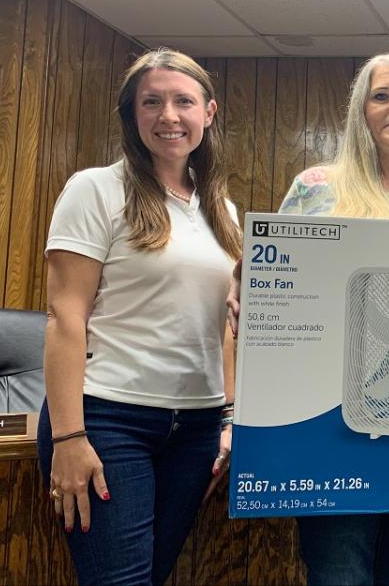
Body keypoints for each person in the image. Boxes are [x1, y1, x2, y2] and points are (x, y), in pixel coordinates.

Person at [231, 53, 389, 585]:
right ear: (361, 112)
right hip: (332, 419)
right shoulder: (318, 188)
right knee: (336, 570)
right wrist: (247, 293)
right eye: (381, 95)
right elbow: (275, 284)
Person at [39, 48, 241, 585]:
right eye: (151, 102)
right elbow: (65, 317)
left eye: (183, 101)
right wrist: (67, 438)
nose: (168, 116)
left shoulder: (221, 210)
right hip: (108, 419)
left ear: (209, 112)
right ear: (132, 115)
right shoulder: (96, 189)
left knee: (154, 576)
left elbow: (224, 326)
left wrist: (227, 418)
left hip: (195, 427)